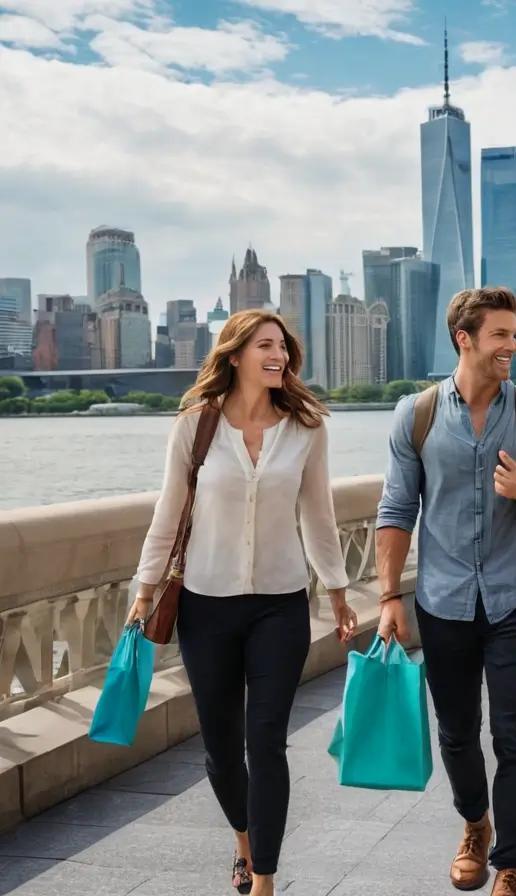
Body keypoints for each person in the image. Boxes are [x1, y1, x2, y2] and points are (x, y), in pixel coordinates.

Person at [128, 310, 356, 896]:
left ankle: (264, 881)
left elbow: (318, 516)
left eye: (282, 346)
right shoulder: (194, 426)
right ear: (235, 356)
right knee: (222, 750)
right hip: (205, 608)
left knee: (267, 741)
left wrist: (337, 589)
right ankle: (244, 844)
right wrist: (143, 592)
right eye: (265, 345)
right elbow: (167, 515)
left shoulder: (306, 427)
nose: (277, 354)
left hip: (280, 607)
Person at [374, 287, 516, 896]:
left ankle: (509, 866)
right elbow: (395, 508)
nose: (512, 346)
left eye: (515, 335)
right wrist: (389, 597)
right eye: (500, 336)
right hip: (442, 601)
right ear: (464, 339)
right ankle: (475, 822)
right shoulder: (413, 414)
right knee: (457, 732)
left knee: (515, 736)